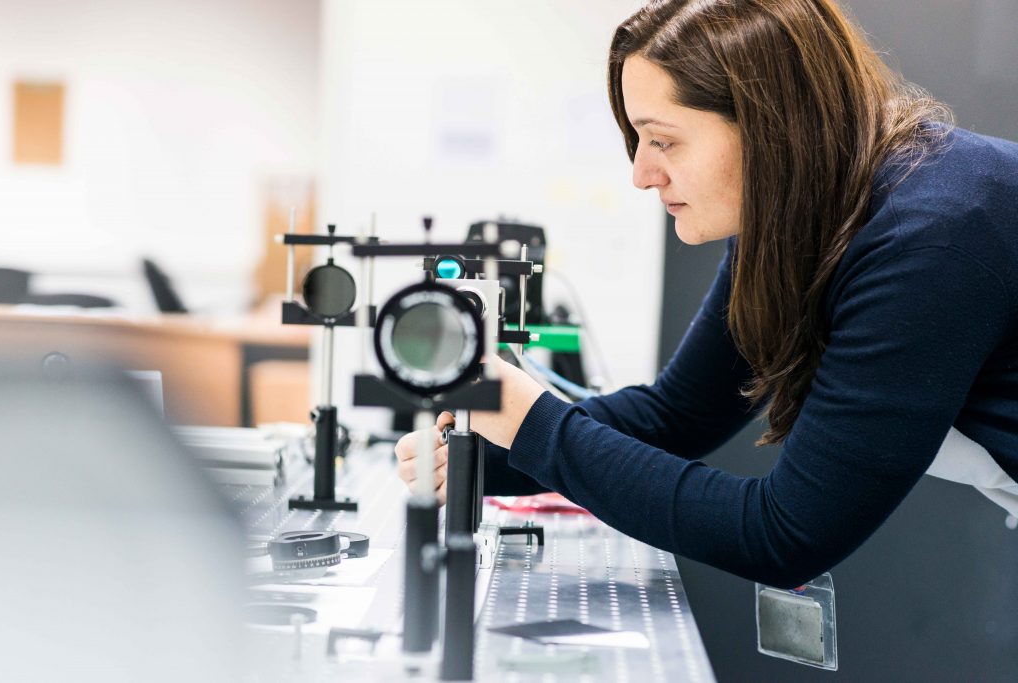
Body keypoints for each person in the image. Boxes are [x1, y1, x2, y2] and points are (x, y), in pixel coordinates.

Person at [395, 0, 1018, 588]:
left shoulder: (930, 238)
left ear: (773, 126)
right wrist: (484, 454)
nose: (641, 174)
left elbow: (784, 534)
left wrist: (535, 424)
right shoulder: (795, 217)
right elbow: (678, 414)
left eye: (662, 140)